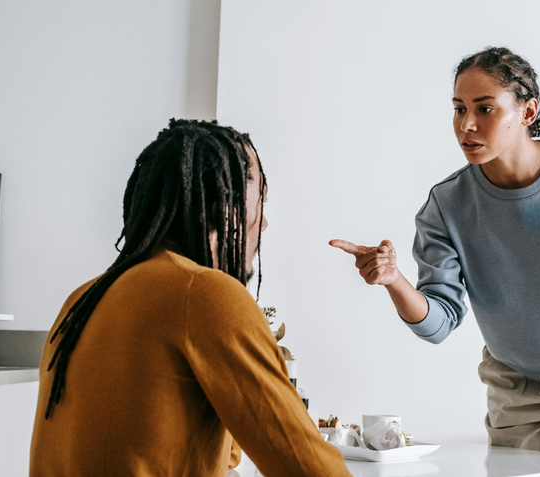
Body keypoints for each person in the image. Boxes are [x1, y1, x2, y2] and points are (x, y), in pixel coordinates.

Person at [331, 47, 540, 477]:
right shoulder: (446, 206)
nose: (466, 124)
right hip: (513, 395)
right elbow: (439, 323)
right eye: (459, 108)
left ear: (528, 112)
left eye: (485, 109)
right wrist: (394, 280)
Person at [31, 119, 351, 477]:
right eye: (260, 201)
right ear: (222, 208)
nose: (263, 224)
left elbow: (224, 457)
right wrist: (233, 302)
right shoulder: (205, 295)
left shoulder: (83, 298)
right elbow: (309, 468)